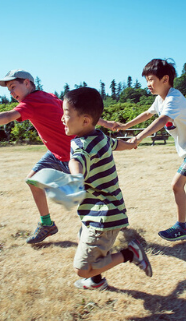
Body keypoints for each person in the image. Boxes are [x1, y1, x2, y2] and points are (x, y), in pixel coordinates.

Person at [0, 69, 116, 244]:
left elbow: (8, 116)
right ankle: (47, 224)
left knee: (83, 194)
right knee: (32, 180)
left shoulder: (30, 102)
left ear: (27, 83)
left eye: (14, 86)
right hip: (55, 153)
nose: (12, 93)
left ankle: (101, 222)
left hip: (72, 154)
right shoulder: (48, 96)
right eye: (9, 90)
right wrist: (106, 123)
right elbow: (80, 111)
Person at [114, 58, 186, 238]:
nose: (148, 84)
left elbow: (162, 120)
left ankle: (181, 227)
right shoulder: (161, 99)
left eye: (151, 79)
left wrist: (137, 138)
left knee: (177, 185)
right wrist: (124, 126)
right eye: (146, 80)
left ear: (165, 79)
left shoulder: (174, 98)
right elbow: (148, 114)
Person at [62, 87, 152, 290]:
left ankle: (130, 254)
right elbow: (115, 144)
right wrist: (130, 145)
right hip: (102, 212)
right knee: (81, 238)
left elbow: (77, 161)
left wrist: (74, 176)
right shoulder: (99, 137)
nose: (62, 118)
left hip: (103, 217)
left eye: (66, 114)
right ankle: (96, 281)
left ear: (85, 120)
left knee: (82, 269)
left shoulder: (83, 146)